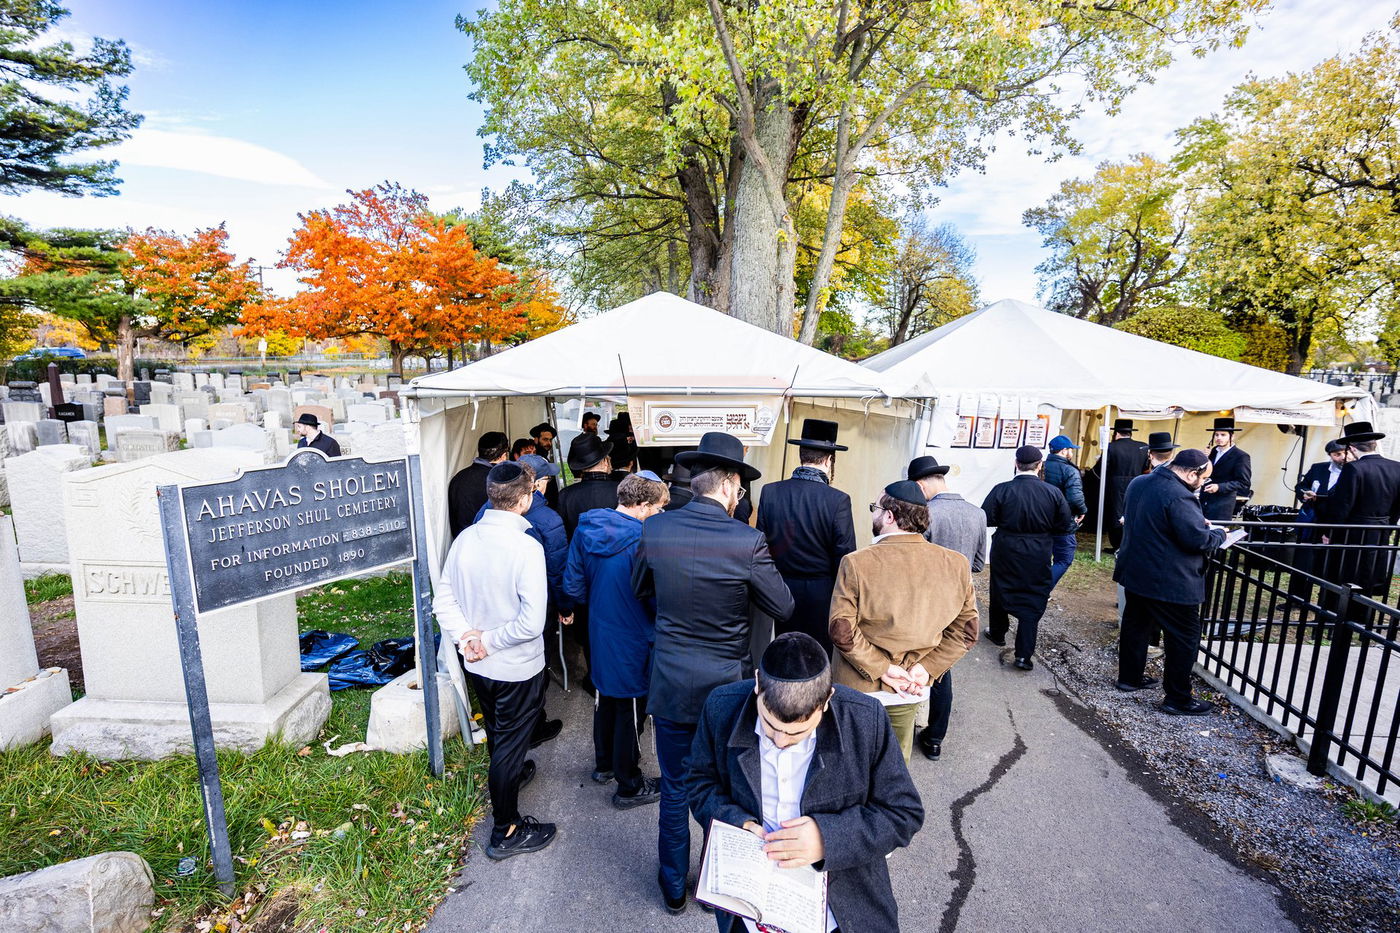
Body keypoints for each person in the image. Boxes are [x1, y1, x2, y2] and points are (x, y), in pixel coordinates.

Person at [632, 431, 794, 914]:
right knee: (724, 792)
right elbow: (783, 605)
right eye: (740, 489)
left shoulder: (656, 530)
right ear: (727, 485)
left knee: (676, 786)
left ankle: (672, 886)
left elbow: (642, 587)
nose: (739, 496)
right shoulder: (748, 541)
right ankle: (715, 887)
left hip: (672, 681)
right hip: (727, 689)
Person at [687, 633, 925, 933]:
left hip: (841, 910)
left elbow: (904, 813)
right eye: (770, 727)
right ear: (758, 683)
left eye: (798, 734)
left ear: (827, 700)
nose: (782, 742)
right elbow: (697, 783)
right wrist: (739, 823)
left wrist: (827, 838)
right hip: (751, 906)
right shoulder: (721, 707)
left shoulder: (866, 720)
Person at [434, 461, 556, 859]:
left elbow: (444, 601)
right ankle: (506, 830)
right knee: (507, 743)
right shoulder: (526, 546)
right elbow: (531, 623)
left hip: (478, 662)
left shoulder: (466, 539)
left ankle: (513, 773)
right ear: (524, 499)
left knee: (500, 734)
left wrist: (467, 638)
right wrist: (483, 639)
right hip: (516, 666)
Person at [829, 480, 977, 763]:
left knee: (850, 761)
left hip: (860, 686)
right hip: (912, 686)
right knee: (895, 766)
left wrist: (882, 669)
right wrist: (927, 668)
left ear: (888, 516)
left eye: (875, 508)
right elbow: (967, 631)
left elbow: (842, 630)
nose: (873, 514)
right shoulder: (956, 564)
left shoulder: (856, 562)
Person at [564, 472, 669, 809]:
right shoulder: (645, 541)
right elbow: (655, 596)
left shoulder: (587, 528)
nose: (660, 515)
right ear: (641, 505)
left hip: (599, 626)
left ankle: (604, 763)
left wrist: (583, 606)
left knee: (605, 698)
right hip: (634, 631)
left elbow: (573, 582)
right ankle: (629, 784)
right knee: (630, 707)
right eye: (658, 508)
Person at [1115, 448, 1227, 715]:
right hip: (1169, 579)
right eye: (1202, 478)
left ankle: (1129, 678)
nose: (1202, 484)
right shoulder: (1179, 495)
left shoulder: (1140, 481)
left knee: (1136, 626)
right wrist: (1219, 534)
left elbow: (1153, 521)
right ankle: (1178, 697)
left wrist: (1196, 524)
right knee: (1184, 637)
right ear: (1191, 474)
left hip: (1136, 569)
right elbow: (1196, 540)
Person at [473, 453, 568, 749]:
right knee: (536, 665)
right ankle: (532, 727)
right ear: (535, 484)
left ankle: (507, 724)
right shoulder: (549, 519)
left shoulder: (484, 512)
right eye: (547, 479)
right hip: (538, 606)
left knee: (500, 663)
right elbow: (557, 570)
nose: (548, 484)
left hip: (493, 601)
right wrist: (565, 606)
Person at [907, 456, 986, 763]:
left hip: (926, 599)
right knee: (942, 666)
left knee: (918, 659)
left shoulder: (926, 513)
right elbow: (978, 564)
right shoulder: (977, 513)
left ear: (919, 484)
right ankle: (935, 737)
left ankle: (906, 722)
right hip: (961, 600)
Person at [755, 419, 857, 653]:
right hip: (822, 594)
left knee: (786, 651)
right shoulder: (838, 499)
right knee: (816, 655)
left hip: (781, 588)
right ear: (829, 460)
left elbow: (761, 547)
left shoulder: (770, 492)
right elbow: (845, 556)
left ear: (802, 455)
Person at [981, 445, 1074, 671]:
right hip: (1038, 549)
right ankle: (1023, 655)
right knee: (1033, 595)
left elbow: (987, 517)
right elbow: (1064, 526)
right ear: (1039, 465)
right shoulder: (1053, 493)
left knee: (1001, 587)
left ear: (1016, 464)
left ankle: (998, 632)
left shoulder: (1002, 489)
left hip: (1006, 547)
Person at [1317, 421, 1400, 603]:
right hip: (1380, 530)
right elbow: (1397, 506)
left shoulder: (1354, 468)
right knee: (1368, 574)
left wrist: (1330, 532)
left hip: (1353, 531)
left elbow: (1343, 505)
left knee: (1345, 573)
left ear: (1352, 448)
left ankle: (1339, 615)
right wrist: (1389, 526)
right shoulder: (1397, 467)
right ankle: (1362, 614)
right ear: (1374, 444)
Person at [1087, 419, 1148, 550]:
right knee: (1132, 512)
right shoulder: (1143, 447)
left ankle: (1117, 545)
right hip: (1137, 483)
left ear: (1116, 433)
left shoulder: (1111, 447)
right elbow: (1146, 467)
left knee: (1115, 514)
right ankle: (1127, 544)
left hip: (1115, 485)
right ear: (1130, 433)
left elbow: (1100, 470)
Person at [447, 431, 509, 539]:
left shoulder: (458, 477)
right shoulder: (499, 481)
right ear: (503, 456)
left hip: (462, 542)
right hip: (489, 544)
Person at [1042, 435, 1085, 587]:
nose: (1072, 453)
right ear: (1064, 451)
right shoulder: (1070, 470)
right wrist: (1082, 510)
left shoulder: (1041, 466)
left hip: (1040, 518)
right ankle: (1042, 589)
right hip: (1063, 520)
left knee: (1042, 557)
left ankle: (1034, 587)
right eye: (1071, 449)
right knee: (1064, 558)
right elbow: (1075, 498)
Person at [559, 433, 620, 540]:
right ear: (605, 461)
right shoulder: (622, 490)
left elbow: (562, 532)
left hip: (579, 554)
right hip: (616, 554)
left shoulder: (565, 494)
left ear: (582, 467)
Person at [1200, 417, 1251, 522]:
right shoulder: (1213, 451)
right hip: (1204, 500)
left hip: (1222, 504)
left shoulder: (1241, 456)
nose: (1219, 438)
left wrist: (1219, 487)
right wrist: (1204, 458)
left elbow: (1243, 483)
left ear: (1232, 436)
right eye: (1216, 434)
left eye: (1223, 435)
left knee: (1217, 533)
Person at [529, 422, 561, 509]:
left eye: (550, 440)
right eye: (545, 439)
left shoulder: (544, 456)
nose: (549, 443)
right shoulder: (533, 459)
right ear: (536, 439)